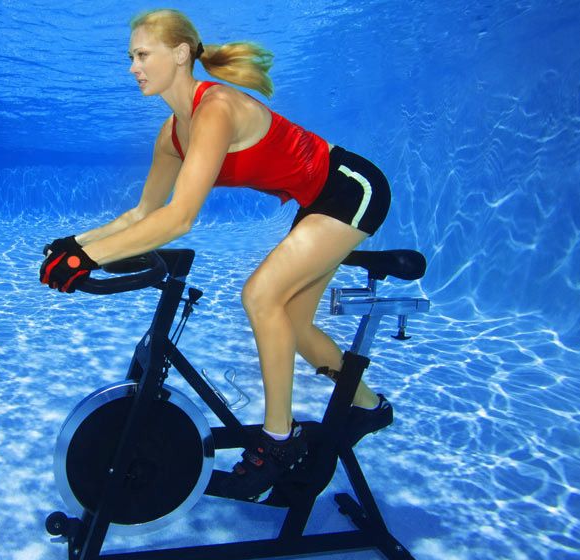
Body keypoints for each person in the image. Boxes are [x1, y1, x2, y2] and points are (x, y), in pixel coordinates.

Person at [40, 8, 393, 501]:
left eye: (142, 55)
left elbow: (180, 218)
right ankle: (370, 408)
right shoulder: (171, 135)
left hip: (352, 187)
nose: (132, 66)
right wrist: (76, 245)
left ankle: (278, 440)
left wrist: (91, 260)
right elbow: (144, 212)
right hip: (317, 203)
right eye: (130, 57)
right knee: (294, 324)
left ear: (181, 54)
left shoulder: (216, 110)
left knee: (261, 296)